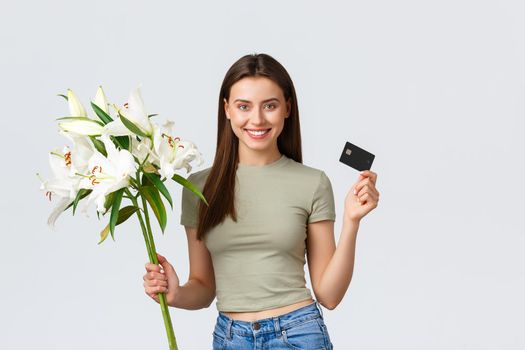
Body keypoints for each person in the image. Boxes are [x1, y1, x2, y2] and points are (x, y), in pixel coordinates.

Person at [143, 53, 380, 349]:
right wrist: (175, 294)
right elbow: (203, 289)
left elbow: (329, 295)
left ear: (287, 109)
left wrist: (352, 222)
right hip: (230, 338)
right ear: (227, 109)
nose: (257, 119)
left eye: (270, 105)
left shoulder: (312, 183)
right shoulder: (199, 188)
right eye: (244, 106)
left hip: (298, 333)